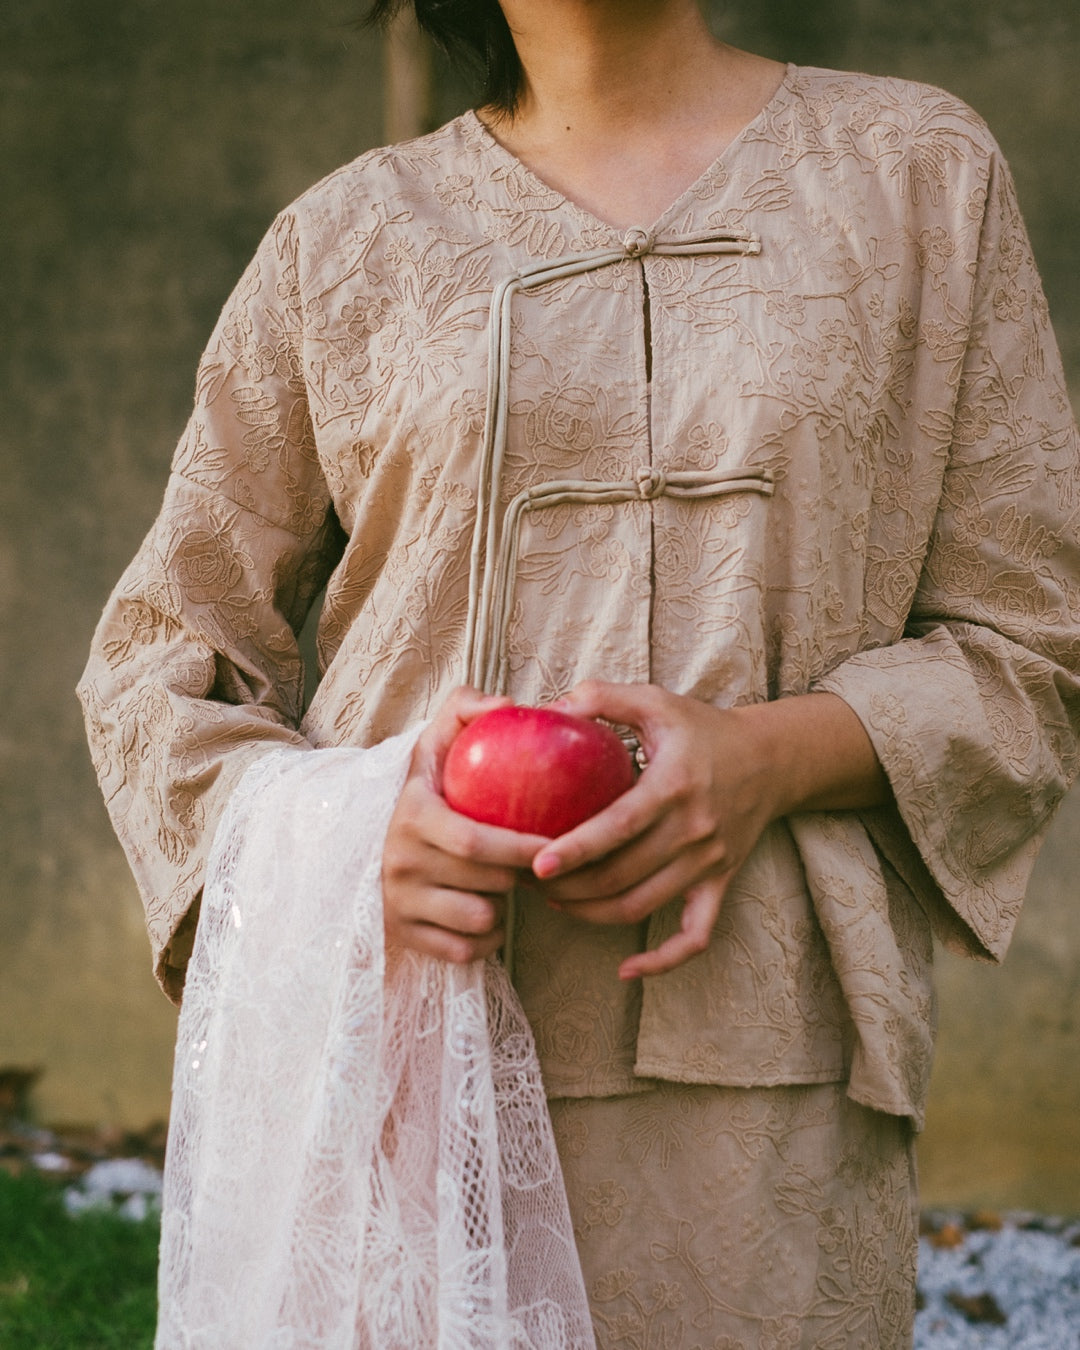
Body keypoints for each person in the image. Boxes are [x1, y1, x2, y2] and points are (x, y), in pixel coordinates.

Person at [79, 1, 1080, 1345]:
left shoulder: (918, 176)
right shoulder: (345, 242)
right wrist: (355, 841)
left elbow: (1033, 638)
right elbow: (158, 664)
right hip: (407, 1053)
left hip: (763, 1066)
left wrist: (768, 756)